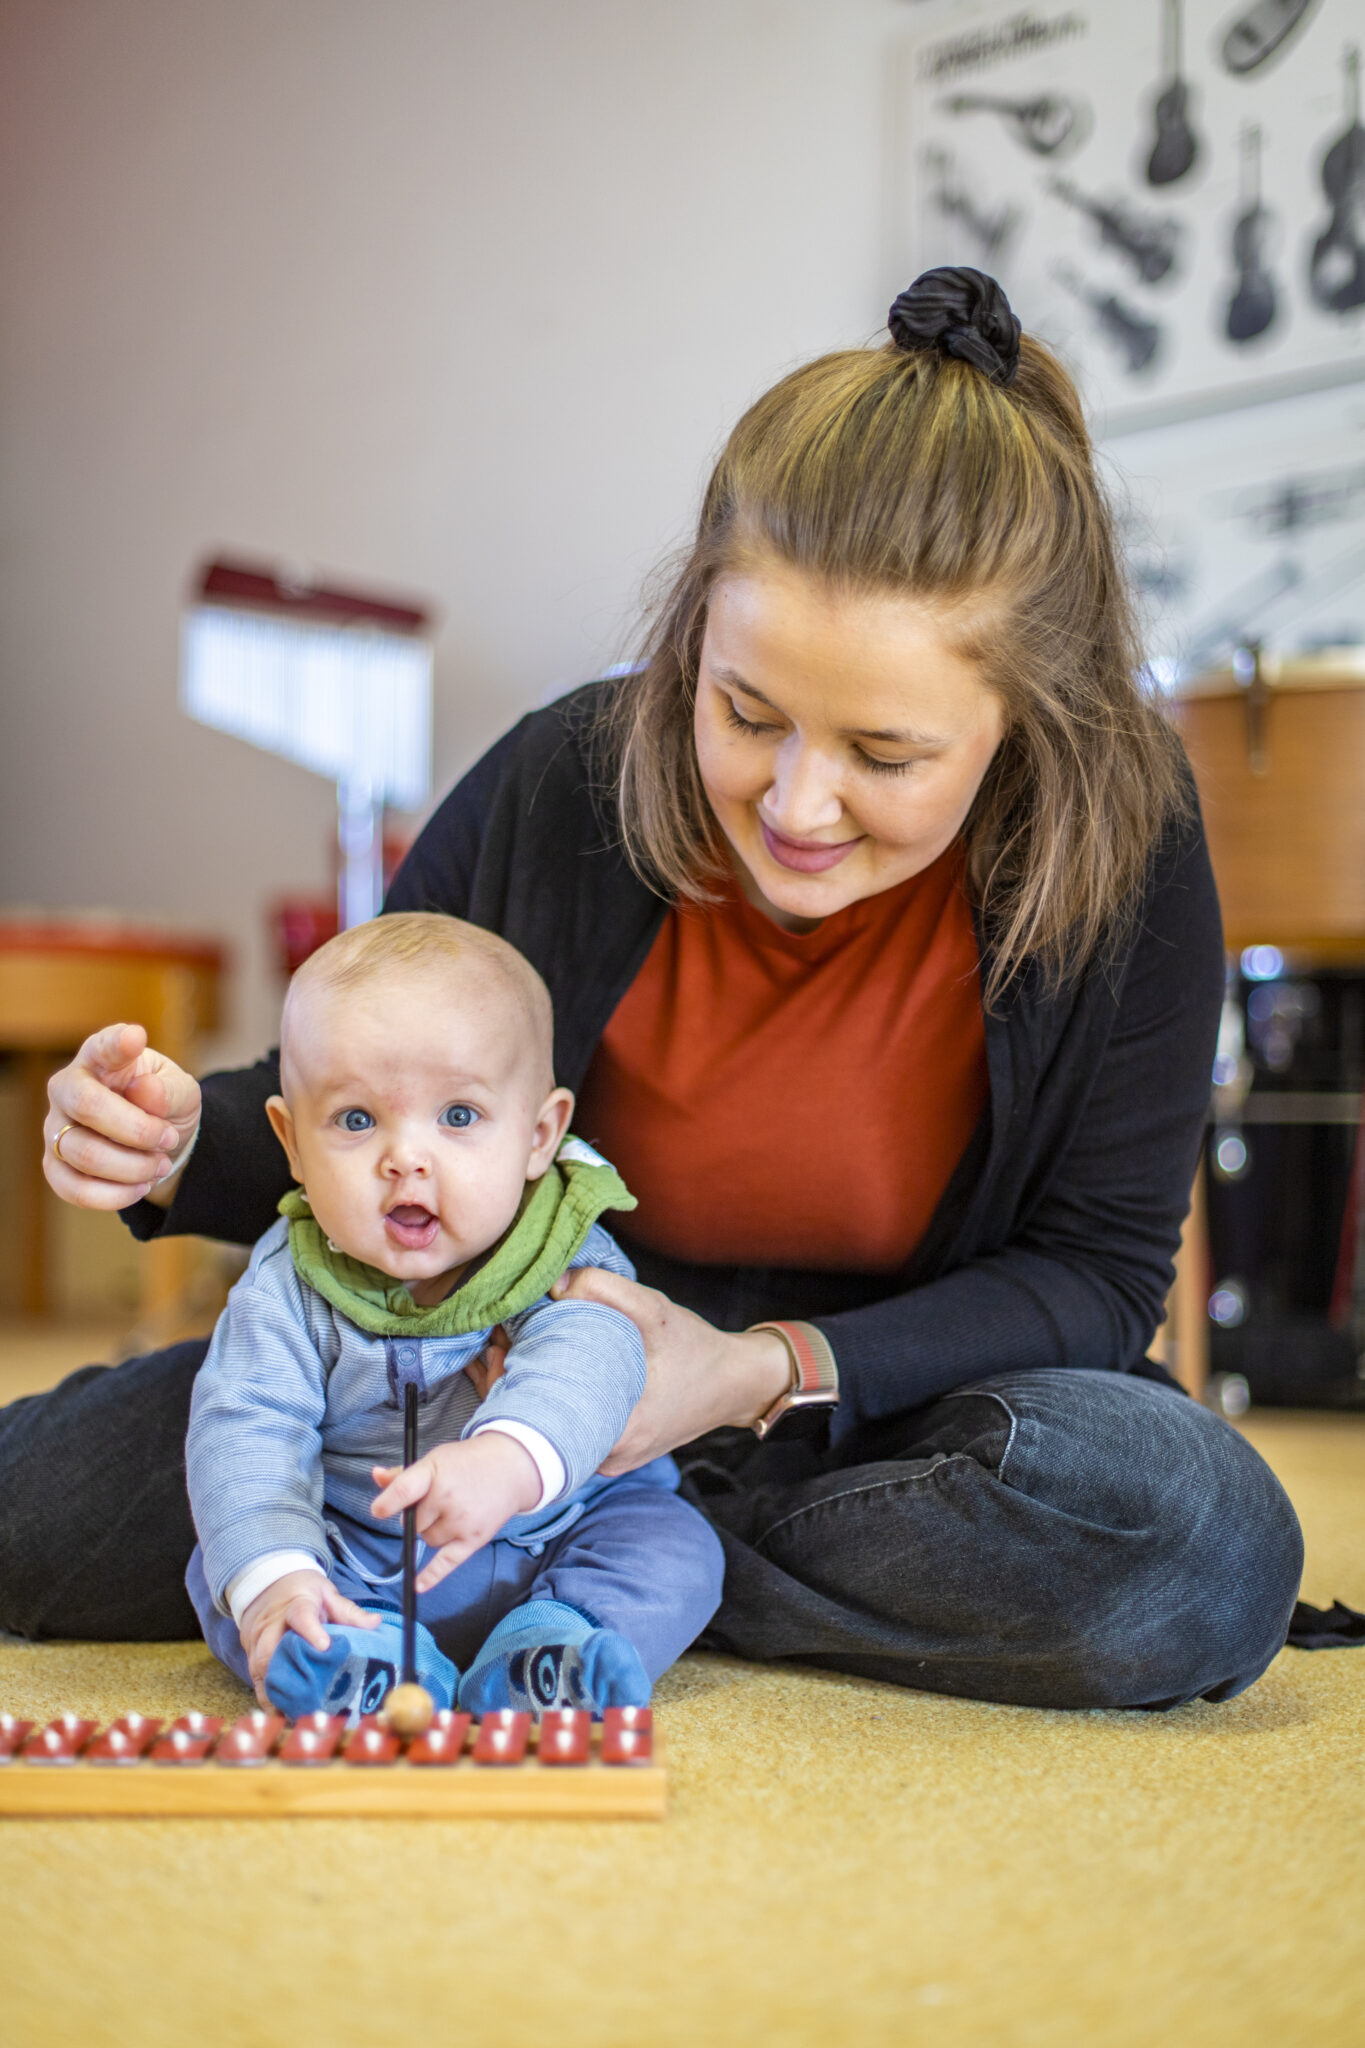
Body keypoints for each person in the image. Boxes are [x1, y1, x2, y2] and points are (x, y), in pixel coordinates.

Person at [18, 266, 1303, 1710]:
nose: (799, 805)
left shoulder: (1125, 853)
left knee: (1193, 1542)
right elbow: (384, 1100)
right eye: (744, 712)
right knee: (31, 1513)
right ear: (693, 631)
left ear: (1026, 722)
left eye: (884, 756)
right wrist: (178, 1142)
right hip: (475, 1378)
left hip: (875, 1409)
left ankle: (609, 1560)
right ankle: (584, 1570)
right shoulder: (563, 778)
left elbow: (1096, 1276)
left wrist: (747, 1373)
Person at [184, 911, 723, 1721]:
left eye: (459, 1117)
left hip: (556, 1534)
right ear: (291, 1144)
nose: (407, 1157)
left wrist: (506, 1461)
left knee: (677, 1548)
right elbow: (244, 1424)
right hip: (361, 1556)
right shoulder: (284, 1287)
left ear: (540, 1136)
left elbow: (594, 1356)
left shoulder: (561, 1250)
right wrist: (277, 1578)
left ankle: (551, 1650)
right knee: (229, 1568)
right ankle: (344, 1655)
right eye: (357, 1120)